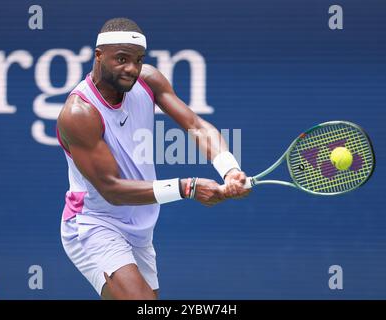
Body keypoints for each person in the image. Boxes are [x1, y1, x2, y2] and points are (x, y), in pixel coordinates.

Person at [57, 17, 250, 300]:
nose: (132, 69)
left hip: (141, 226)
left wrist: (230, 168)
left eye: (137, 60)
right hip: (94, 223)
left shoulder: (148, 80)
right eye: (122, 59)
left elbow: (195, 125)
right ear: (98, 56)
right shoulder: (79, 114)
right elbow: (112, 189)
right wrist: (189, 187)